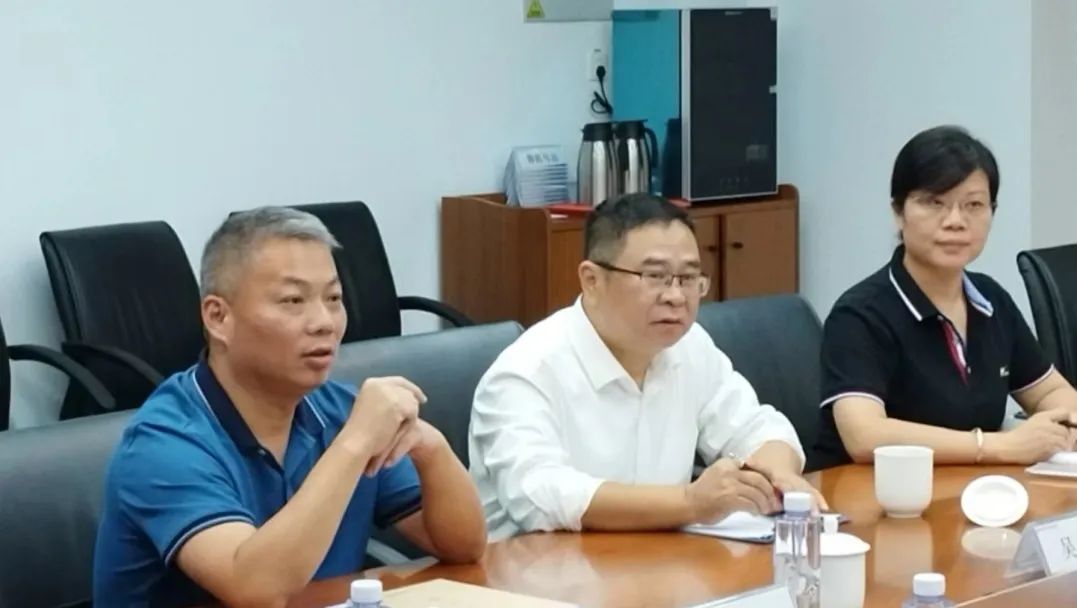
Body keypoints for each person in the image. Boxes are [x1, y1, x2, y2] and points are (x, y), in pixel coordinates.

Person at [93, 207, 486, 607]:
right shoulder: (164, 443)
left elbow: (463, 548)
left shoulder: (340, 411)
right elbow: (255, 590)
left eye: (334, 298)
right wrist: (354, 444)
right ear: (218, 317)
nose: (324, 322)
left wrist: (429, 447)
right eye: (293, 300)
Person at [468, 193, 823, 542]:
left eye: (688, 279)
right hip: (537, 570)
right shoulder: (525, 372)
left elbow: (756, 427)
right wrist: (690, 503)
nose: (676, 297)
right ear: (592, 280)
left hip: (657, 562)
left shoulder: (689, 347)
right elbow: (540, 495)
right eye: (655, 276)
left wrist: (779, 475)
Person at [816, 125, 1077, 466]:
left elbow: (1051, 392)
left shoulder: (990, 299)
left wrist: (1067, 422)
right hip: (870, 492)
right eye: (934, 202)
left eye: (974, 205)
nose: (955, 221)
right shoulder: (860, 314)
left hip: (972, 488)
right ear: (898, 212)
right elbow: (864, 436)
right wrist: (998, 446)